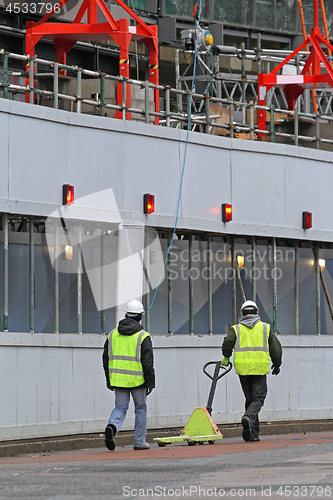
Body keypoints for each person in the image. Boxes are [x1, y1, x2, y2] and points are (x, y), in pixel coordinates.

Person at [221, 300, 282, 442]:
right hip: (259, 369)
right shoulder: (265, 328)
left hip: (242, 369)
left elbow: (228, 342)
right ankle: (248, 418)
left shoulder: (236, 329)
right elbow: (276, 349)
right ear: (256, 312)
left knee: (250, 399)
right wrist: (277, 364)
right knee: (258, 398)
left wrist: (226, 356)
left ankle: (253, 434)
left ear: (242, 313)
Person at [102, 299, 155, 451]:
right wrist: (150, 383)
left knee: (120, 407)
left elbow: (105, 359)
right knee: (140, 409)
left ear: (126, 315)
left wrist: (109, 379)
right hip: (138, 381)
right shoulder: (143, 336)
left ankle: (112, 426)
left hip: (118, 380)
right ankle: (139, 442)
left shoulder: (112, 335)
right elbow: (148, 363)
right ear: (140, 317)